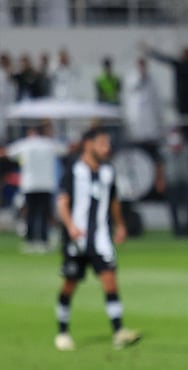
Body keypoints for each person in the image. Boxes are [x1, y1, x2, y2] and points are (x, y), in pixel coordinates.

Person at [54, 127, 141, 351]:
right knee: (69, 285)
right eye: (102, 143)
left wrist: (120, 225)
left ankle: (119, 331)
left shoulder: (108, 171)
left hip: (101, 238)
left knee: (110, 281)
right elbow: (62, 202)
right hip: (77, 239)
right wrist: (71, 226)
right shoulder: (74, 169)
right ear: (88, 144)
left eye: (107, 144)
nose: (106, 148)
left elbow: (113, 201)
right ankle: (62, 332)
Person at [2, 121, 67, 254]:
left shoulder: (25, 144)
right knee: (44, 214)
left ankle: (30, 240)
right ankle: (43, 240)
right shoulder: (49, 144)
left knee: (31, 213)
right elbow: (66, 149)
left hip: (30, 185)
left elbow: (7, 152)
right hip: (46, 185)